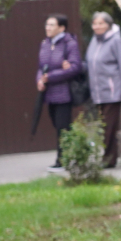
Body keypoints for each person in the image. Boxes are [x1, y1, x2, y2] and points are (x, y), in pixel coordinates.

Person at [85, 12, 121, 168]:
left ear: (109, 25)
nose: (97, 26)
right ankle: (109, 158)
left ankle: (108, 158)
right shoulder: (94, 41)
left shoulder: (116, 41)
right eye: (95, 23)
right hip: (98, 93)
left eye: (101, 23)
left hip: (114, 92)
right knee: (106, 127)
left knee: (108, 127)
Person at [37, 13, 83, 173]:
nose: (48, 28)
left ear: (62, 28)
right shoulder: (45, 43)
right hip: (49, 94)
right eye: (47, 24)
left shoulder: (69, 44)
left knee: (63, 128)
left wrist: (50, 77)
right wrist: (40, 80)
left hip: (64, 93)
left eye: (52, 25)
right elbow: (41, 66)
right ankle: (76, 153)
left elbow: (75, 67)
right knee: (58, 125)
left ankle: (63, 161)